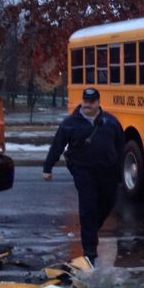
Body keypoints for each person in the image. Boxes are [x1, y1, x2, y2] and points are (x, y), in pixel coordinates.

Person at [43, 88, 124, 264]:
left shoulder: (110, 121)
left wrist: (119, 171)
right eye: (85, 100)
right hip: (83, 171)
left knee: (108, 202)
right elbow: (57, 145)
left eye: (92, 101)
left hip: (107, 171)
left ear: (98, 102)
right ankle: (90, 252)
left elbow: (120, 146)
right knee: (88, 207)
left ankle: (91, 229)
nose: (87, 104)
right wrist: (48, 167)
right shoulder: (70, 123)